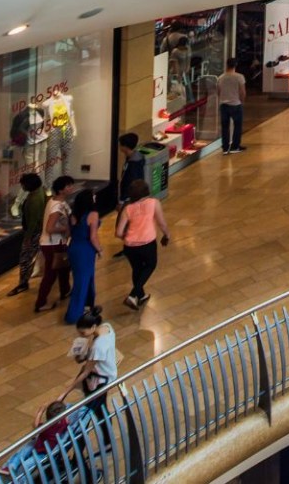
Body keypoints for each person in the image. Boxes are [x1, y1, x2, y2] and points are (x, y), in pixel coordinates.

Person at [115, 179, 169, 309]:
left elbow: (118, 232)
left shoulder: (127, 208)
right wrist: (167, 235)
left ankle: (140, 296)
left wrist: (128, 239)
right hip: (147, 243)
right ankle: (133, 295)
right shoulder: (154, 203)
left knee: (137, 269)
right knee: (151, 265)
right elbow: (161, 223)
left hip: (130, 246)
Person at [63, 308, 118, 429]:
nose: (81, 336)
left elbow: (85, 372)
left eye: (83, 333)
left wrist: (65, 392)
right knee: (99, 410)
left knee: (92, 411)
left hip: (100, 380)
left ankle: (87, 436)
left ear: (93, 327)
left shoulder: (98, 347)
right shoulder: (106, 327)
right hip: (108, 374)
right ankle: (107, 441)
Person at [33, 176, 75, 314]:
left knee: (63, 267)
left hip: (57, 242)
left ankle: (65, 290)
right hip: (52, 243)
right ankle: (41, 302)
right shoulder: (57, 207)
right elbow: (49, 228)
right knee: (51, 273)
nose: (71, 188)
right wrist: (65, 229)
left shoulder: (57, 201)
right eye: (68, 186)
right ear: (61, 189)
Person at [7, 173, 49, 297]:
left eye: (23, 184)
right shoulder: (40, 192)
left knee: (25, 258)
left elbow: (33, 221)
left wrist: (28, 237)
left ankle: (23, 283)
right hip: (40, 230)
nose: (22, 186)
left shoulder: (34, 200)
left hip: (35, 232)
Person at [64, 189, 102, 323]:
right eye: (93, 196)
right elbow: (93, 237)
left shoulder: (73, 215)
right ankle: (74, 315)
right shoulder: (93, 214)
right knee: (82, 281)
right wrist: (99, 250)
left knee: (85, 277)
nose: (95, 197)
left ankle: (88, 305)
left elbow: (68, 234)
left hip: (74, 248)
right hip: (86, 249)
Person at [216, 59, 247, 153]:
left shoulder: (221, 77)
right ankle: (235, 146)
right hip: (236, 104)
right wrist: (242, 101)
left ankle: (225, 147)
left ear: (227, 65)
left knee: (225, 127)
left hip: (224, 105)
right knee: (238, 126)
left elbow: (218, 91)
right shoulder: (239, 77)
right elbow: (242, 92)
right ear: (235, 65)